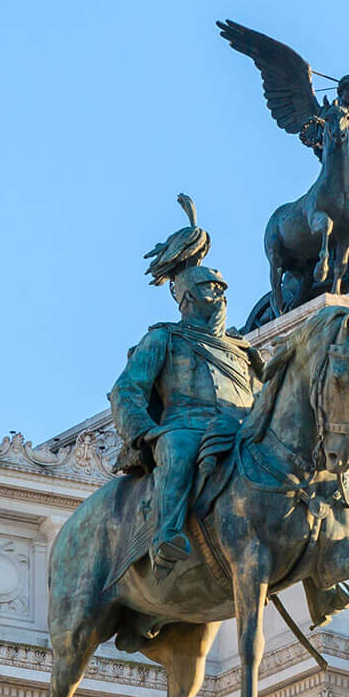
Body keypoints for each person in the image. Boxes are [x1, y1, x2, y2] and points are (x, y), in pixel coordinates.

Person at [109, 198, 262, 575]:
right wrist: (144, 432)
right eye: (212, 289)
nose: (221, 296)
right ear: (189, 297)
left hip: (239, 429)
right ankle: (167, 535)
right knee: (178, 451)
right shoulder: (164, 339)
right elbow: (126, 390)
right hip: (185, 426)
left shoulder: (242, 350)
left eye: (223, 288)